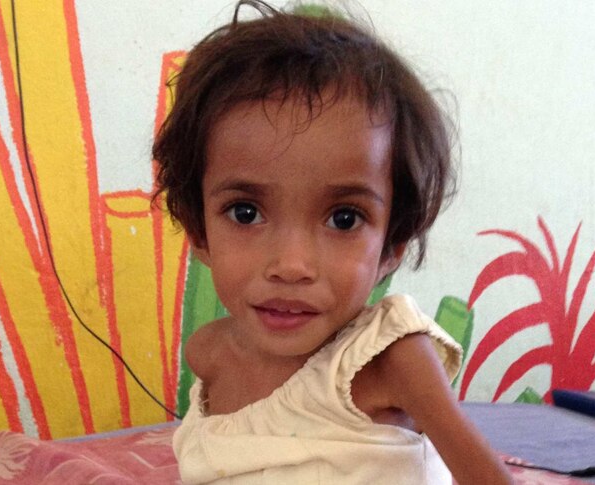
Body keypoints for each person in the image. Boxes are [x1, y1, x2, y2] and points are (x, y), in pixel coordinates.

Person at [152, 1, 512, 483]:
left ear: (392, 245)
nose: (292, 264)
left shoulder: (390, 359)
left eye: (344, 218)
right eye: (246, 212)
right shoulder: (210, 356)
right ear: (199, 232)